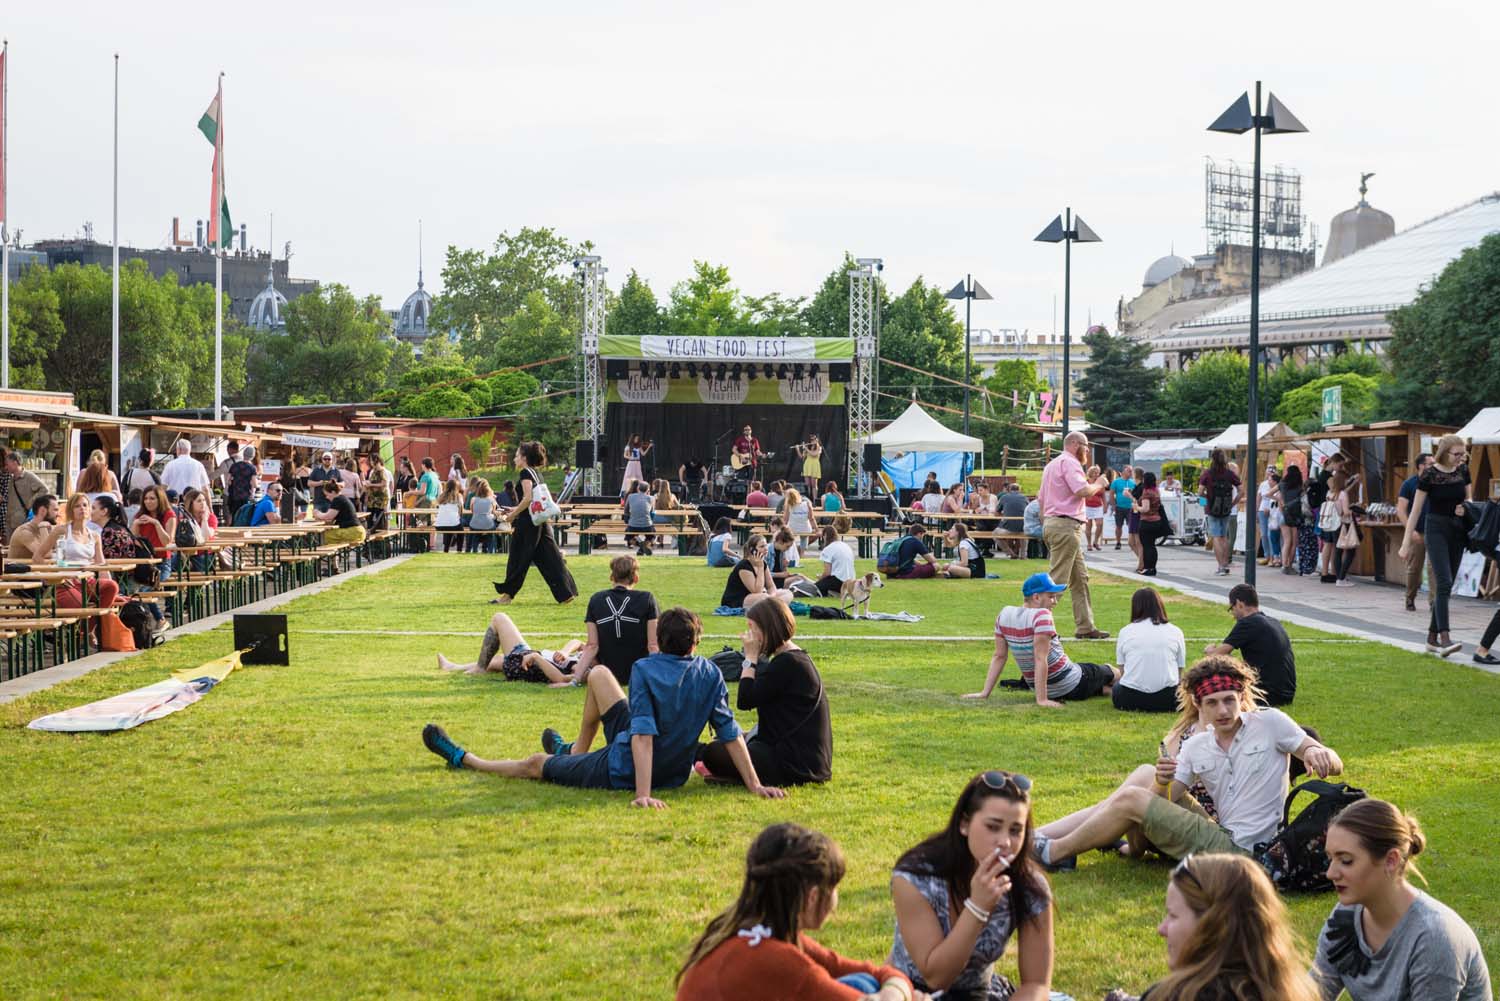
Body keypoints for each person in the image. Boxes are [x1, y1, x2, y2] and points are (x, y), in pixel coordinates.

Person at [421, 606, 786, 808]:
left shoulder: (645, 669)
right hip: (670, 769)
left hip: (624, 767)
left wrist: (643, 794)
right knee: (598, 675)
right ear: (695, 644)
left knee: (534, 764)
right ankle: (575, 752)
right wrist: (754, 785)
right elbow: (730, 734)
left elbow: (643, 737)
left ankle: (466, 759)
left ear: (659, 642)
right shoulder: (709, 672)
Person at [1029, 655, 1341, 870]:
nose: (1223, 710)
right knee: (1141, 788)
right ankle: (1070, 845)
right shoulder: (1196, 745)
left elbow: (1331, 761)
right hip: (1222, 836)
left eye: (1229, 700)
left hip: (1253, 852)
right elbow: (1161, 802)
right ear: (1198, 703)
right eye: (1212, 703)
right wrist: (1162, 781)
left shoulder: (1270, 722)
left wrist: (1318, 752)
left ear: (1242, 695)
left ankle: (1053, 852)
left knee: (1133, 795)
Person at [675, 823, 919, 1001]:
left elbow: (876, 972)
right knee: (863, 987)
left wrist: (894, 991)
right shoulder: (781, 962)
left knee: (864, 982)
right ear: (813, 897)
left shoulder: (747, 934)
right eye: (834, 888)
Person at [889, 771, 1056, 1000]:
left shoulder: (1029, 887)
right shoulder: (915, 878)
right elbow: (936, 978)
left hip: (978, 993)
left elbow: (1036, 984)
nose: (1005, 842)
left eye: (1015, 830)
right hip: (907, 992)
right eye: (993, 827)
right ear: (964, 824)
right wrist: (978, 908)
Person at [1314, 798, 1492, 1001]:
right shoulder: (1346, 916)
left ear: (1391, 860)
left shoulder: (1434, 938)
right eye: (1331, 858)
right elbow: (1312, 994)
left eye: (1346, 860)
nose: (1330, 873)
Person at [1106, 854, 1323, 1001]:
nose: (1161, 929)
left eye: (1173, 915)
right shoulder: (1285, 991)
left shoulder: (1177, 995)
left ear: (1212, 923)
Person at [699, 599, 832, 786]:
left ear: (768, 629)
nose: (751, 636)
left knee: (713, 752)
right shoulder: (794, 659)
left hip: (794, 765)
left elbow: (745, 700)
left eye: (753, 629)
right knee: (730, 742)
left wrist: (750, 658)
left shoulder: (787, 663)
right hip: (806, 760)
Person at [965, 572, 1118, 708]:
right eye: (1051, 596)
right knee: (1114, 672)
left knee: (1102, 687)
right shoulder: (1042, 615)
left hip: (1049, 688)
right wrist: (1042, 700)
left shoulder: (1004, 615)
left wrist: (984, 693)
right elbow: (1040, 659)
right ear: (1036, 597)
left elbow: (999, 656)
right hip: (1071, 682)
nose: (1055, 601)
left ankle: (1107, 691)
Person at [1399, 435, 1472, 658]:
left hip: (1458, 529)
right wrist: (1406, 542)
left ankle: (1431, 638)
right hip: (1436, 528)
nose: (1460, 458)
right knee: (1444, 581)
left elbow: (1470, 499)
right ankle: (1445, 637)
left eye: (1462, 454)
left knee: (1446, 586)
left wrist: (1466, 508)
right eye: (1456, 454)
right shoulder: (1429, 474)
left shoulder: (1463, 470)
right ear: (1444, 452)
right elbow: (1415, 511)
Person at [1038, 431, 1109, 639]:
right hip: (1066, 526)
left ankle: (1085, 627)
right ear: (1076, 444)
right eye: (1086, 447)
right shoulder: (1070, 463)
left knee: (1080, 578)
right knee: (1057, 581)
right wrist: (1099, 484)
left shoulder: (1052, 465)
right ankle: (1035, 625)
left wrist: (1047, 523)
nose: (1087, 451)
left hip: (1055, 524)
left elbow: (1041, 499)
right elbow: (1082, 491)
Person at [493, 441, 577, 605]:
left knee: (518, 558)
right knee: (551, 557)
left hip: (528, 523)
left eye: (517, 455)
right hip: (539, 521)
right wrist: (514, 509)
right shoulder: (536, 473)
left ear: (524, 458)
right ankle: (566, 593)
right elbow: (532, 501)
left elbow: (528, 498)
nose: (515, 459)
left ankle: (507, 596)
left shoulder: (525, 473)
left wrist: (512, 516)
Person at [1202, 583, 1296, 706]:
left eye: (1231, 608)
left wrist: (1209, 650)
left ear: (1239, 604)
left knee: (1217, 667)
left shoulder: (1248, 622)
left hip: (1266, 695)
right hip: (1286, 693)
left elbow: (1216, 655)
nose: (1233, 614)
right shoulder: (1273, 622)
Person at [575, 554, 659, 685]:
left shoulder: (596, 599)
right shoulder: (646, 599)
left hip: (607, 675)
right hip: (639, 674)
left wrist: (574, 680)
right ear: (636, 578)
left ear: (612, 577)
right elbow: (653, 645)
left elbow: (592, 646)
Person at [436, 610, 584, 684]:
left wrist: (536, 657)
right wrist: (565, 651)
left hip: (528, 664)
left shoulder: (587, 669)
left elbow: (562, 679)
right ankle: (453, 667)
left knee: (499, 618)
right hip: (530, 658)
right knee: (497, 660)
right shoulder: (593, 651)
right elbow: (578, 642)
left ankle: (479, 669)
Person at [39, 493, 121, 610]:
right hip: (65, 582)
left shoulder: (95, 535)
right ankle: (94, 619)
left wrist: (112, 591)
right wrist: (52, 577)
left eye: (85, 505)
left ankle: (97, 620)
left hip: (87, 581)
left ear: (89, 509)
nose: (82, 508)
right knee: (79, 603)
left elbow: (101, 565)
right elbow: (38, 556)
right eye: (77, 506)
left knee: (112, 587)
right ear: (71, 510)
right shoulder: (61, 531)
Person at [1113, 588, 1186, 712]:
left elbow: (1122, 669)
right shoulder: (1176, 631)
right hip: (1169, 700)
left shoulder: (1125, 631)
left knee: (1117, 686)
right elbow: (1179, 669)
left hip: (1129, 700)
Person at [1395, 453, 1433, 611]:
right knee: (1414, 568)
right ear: (1421, 466)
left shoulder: (1437, 482)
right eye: (1430, 464)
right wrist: (1410, 531)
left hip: (1435, 532)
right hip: (1417, 531)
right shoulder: (1409, 484)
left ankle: (1434, 602)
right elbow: (1401, 510)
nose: (1434, 466)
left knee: (1433, 568)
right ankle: (1410, 598)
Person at [1198, 449, 1241, 576]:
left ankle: (1221, 567)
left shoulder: (1207, 473)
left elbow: (1200, 492)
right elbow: (1242, 490)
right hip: (1226, 509)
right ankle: (1226, 564)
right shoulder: (1229, 474)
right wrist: (1233, 503)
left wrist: (1207, 499)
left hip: (1212, 509)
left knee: (1216, 537)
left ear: (1212, 459)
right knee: (1224, 537)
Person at [722, 534, 794, 610]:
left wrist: (772, 597)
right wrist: (760, 567)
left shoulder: (763, 563)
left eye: (765, 545)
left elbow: (771, 586)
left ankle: (772, 605)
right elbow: (757, 591)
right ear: (752, 549)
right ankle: (775, 606)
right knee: (764, 597)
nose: (766, 548)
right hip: (738, 599)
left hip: (758, 597)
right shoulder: (744, 565)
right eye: (762, 546)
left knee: (787, 593)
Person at [133, 485, 179, 580]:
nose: (148, 501)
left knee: (151, 585)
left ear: (160, 500)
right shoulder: (140, 515)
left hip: (162, 562)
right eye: (145, 498)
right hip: (144, 562)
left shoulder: (169, 514)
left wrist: (156, 523)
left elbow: (167, 542)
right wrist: (135, 524)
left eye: (152, 498)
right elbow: (133, 540)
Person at [4, 451, 51, 543]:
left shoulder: (29, 476)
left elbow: (45, 490)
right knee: (11, 546)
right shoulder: (11, 479)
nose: (6, 467)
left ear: (15, 463)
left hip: (22, 520)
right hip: (10, 520)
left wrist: (31, 502)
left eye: (7, 464)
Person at [1136, 471, 1171, 577]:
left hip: (1147, 522)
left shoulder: (1146, 492)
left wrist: (1136, 507)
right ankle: (1153, 568)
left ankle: (1147, 568)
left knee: (1146, 546)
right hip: (1157, 521)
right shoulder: (1156, 491)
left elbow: (1145, 509)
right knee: (1152, 546)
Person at [8, 493, 59, 561]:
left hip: (38, 568)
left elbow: (59, 551)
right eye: (55, 510)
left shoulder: (49, 528)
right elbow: (45, 555)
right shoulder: (24, 532)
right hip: (22, 568)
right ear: (42, 511)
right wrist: (43, 527)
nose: (58, 514)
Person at [314, 479, 366, 545]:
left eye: (327, 495)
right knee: (327, 534)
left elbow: (328, 517)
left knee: (322, 536)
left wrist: (317, 513)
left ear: (333, 492)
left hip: (352, 532)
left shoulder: (337, 500)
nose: (327, 497)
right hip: (358, 531)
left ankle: (324, 551)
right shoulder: (342, 498)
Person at [1332, 472, 1361, 588]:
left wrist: (1353, 482)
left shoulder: (1331, 493)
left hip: (1334, 524)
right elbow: (1346, 512)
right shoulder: (1343, 494)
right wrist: (1353, 510)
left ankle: (1339, 577)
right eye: (1345, 480)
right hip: (1344, 524)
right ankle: (1341, 578)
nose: (1346, 481)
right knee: (1351, 551)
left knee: (1338, 551)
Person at [1280, 463, 1310, 577]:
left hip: (1284, 515)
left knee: (1286, 542)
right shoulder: (1299, 487)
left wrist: (1282, 503)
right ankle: (1289, 566)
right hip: (1295, 516)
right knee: (1293, 543)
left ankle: (1284, 565)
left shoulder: (1282, 484)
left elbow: (1269, 494)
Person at [814, 525, 856, 597]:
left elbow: (827, 573)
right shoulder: (845, 545)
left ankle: (834, 592)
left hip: (839, 581)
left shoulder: (828, 549)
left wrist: (820, 578)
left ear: (825, 536)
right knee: (824, 583)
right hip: (851, 581)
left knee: (815, 587)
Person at [223, 445, 258, 524]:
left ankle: (232, 529)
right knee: (243, 516)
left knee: (233, 515)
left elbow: (228, 481)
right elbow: (255, 484)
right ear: (252, 456)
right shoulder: (252, 468)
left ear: (244, 454)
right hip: (245, 496)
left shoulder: (234, 465)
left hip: (233, 495)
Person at [1257, 466, 1283, 568]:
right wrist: (1257, 510)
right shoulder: (1263, 484)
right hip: (1262, 510)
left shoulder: (1278, 485)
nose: (1269, 476)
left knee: (1270, 534)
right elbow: (1259, 497)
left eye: (1272, 473)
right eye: (1268, 473)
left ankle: (1273, 557)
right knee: (1264, 534)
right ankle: (1267, 556)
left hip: (1273, 511)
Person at [465, 478, 498, 553]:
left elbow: (472, 511)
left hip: (475, 524)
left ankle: (474, 550)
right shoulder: (491, 499)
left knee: (475, 535)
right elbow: (493, 511)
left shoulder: (473, 499)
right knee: (490, 535)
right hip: (488, 524)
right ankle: (491, 550)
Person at [363, 453, 392, 533]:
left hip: (380, 499)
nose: (370, 462)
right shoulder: (373, 471)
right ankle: (370, 532)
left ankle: (379, 534)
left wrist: (371, 485)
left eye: (371, 461)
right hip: (372, 499)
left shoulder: (382, 471)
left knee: (379, 518)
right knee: (369, 517)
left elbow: (384, 484)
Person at [1110, 464, 1137, 551]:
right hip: (1119, 507)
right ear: (1123, 471)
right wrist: (1113, 505)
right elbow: (1111, 493)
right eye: (1129, 471)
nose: (1130, 472)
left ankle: (1132, 542)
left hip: (1131, 507)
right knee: (1119, 526)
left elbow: (1137, 494)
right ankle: (1118, 542)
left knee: (1131, 526)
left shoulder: (1133, 482)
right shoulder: (1116, 482)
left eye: (1131, 471)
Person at [434, 478, 465, 552]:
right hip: (452, 524)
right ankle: (459, 550)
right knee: (460, 531)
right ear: (456, 487)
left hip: (439, 525)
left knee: (449, 527)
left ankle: (446, 549)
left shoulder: (441, 496)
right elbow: (461, 511)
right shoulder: (458, 496)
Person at [998, 485, 1029, 559]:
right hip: (1022, 527)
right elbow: (1028, 510)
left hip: (1007, 527)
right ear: (1019, 490)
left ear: (1009, 490)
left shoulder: (1004, 497)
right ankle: (1023, 555)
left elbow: (997, 511)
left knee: (994, 535)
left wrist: (1005, 513)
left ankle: (1010, 553)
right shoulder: (1024, 498)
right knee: (1024, 535)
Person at [653, 478, 681, 549]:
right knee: (673, 521)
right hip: (669, 519)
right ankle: (674, 539)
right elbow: (678, 506)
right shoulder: (672, 496)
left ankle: (661, 542)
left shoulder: (656, 496)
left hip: (658, 518)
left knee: (660, 523)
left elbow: (653, 508)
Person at [1084, 465, 1107, 551]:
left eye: (1098, 473)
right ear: (1090, 473)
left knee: (1100, 524)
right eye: (1095, 473)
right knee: (1088, 526)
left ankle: (1096, 542)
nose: (1097, 475)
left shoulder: (1100, 483)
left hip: (1098, 506)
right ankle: (1089, 544)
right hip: (1087, 506)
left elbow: (1103, 495)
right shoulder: (1086, 482)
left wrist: (1105, 505)